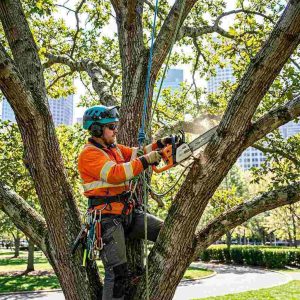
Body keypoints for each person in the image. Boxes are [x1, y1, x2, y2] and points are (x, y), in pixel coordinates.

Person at [78, 105, 172, 300]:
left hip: (129, 214)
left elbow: (138, 153)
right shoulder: (89, 154)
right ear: (96, 130)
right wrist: (149, 159)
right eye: (111, 126)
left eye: (116, 126)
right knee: (118, 273)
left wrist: (160, 144)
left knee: (168, 233)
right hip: (107, 219)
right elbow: (116, 174)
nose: (116, 130)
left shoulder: (114, 149)